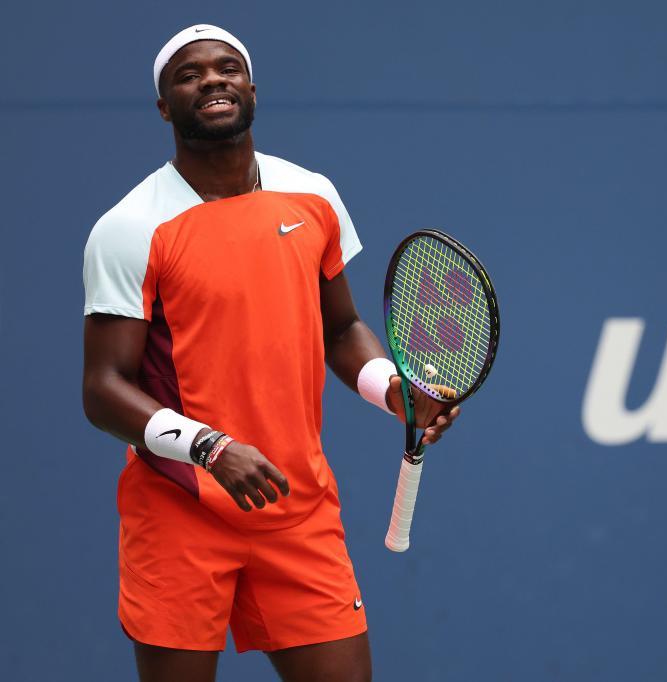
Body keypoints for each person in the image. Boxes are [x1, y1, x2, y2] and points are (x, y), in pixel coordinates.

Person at [82, 24, 457, 682]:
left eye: (226, 68)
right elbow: (103, 388)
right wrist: (210, 447)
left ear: (251, 89)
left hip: (297, 507)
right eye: (189, 75)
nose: (212, 80)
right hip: (180, 510)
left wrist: (391, 388)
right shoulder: (129, 227)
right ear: (165, 107)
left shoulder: (312, 195)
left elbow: (340, 330)